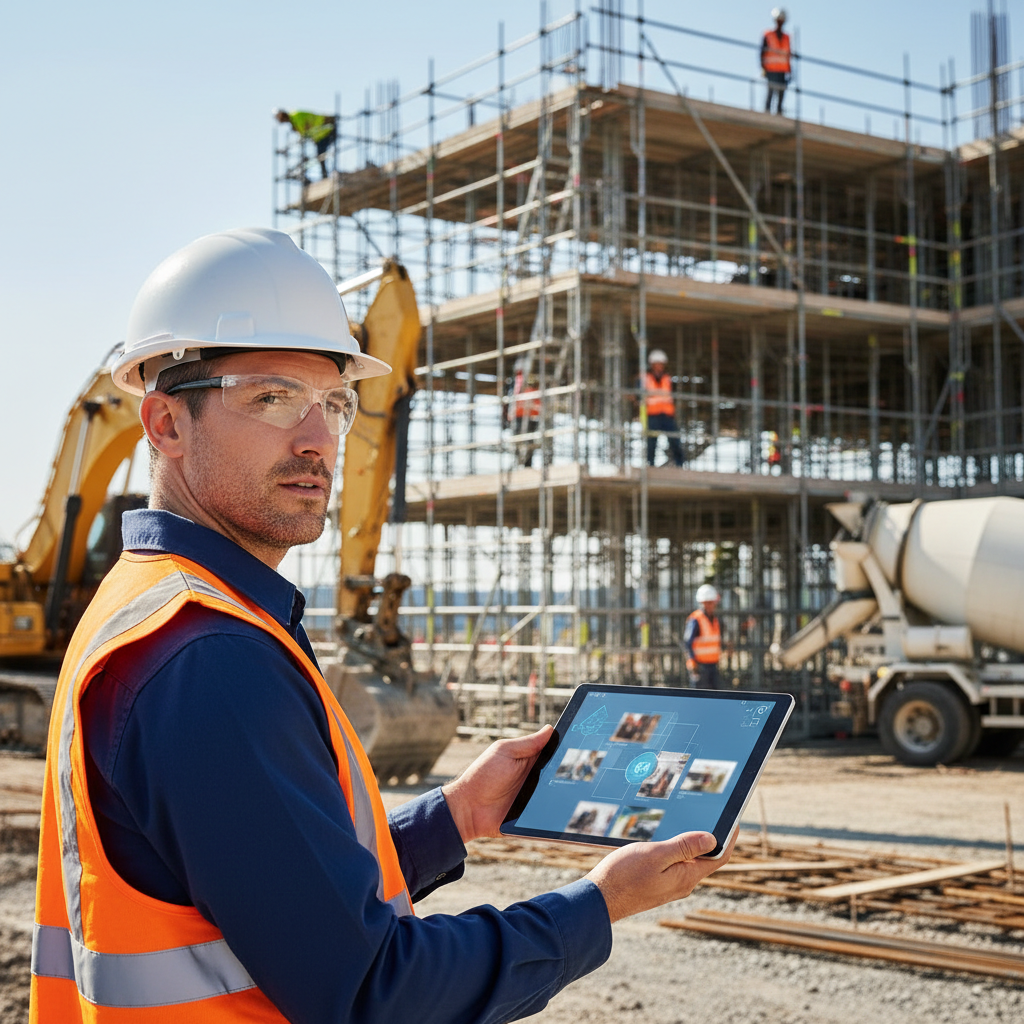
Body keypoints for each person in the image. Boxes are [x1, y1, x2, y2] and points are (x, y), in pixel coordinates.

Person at [30, 226, 733, 1024]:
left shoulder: (147, 604)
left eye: (333, 403)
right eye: (271, 397)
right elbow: (376, 992)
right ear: (164, 425)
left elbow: (282, 895)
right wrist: (598, 906)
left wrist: (458, 816)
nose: (318, 439)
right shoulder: (208, 654)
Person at [643, 349, 685, 467]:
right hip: (652, 414)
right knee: (652, 442)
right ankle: (650, 465)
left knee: (674, 440)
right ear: (652, 365)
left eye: (661, 364)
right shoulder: (646, 378)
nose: (659, 367)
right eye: (656, 364)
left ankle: (680, 464)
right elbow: (639, 396)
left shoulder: (668, 378)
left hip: (667, 415)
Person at [275, 108, 338, 179]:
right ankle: (325, 176)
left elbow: (305, 131)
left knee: (322, 155)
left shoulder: (296, 116)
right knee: (321, 156)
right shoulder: (294, 120)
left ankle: (326, 176)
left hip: (326, 131)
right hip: (320, 135)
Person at [685, 583, 724, 689]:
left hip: (713, 665)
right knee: (699, 698)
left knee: (714, 697)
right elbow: (688, 642)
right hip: (700, 666)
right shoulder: (696, 619)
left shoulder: (715, 620)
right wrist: (692, 660)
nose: (710, 605)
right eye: (707, 603)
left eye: (712, 603)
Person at [760, 8, 792, 115]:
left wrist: (790, 70)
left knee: (781, 93)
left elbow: (788, 55)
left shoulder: (787, 37)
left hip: (782, 71)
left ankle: (779, 113)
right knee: (770, 92)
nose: (780, 23)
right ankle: (767, 112)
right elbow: (762, 52)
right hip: (771, 69)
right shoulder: (768, 35)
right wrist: (763, 68)